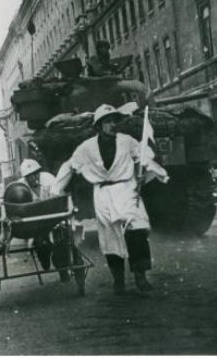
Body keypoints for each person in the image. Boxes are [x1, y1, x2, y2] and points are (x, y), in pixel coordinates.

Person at [54, 104, 169, 295]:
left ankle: (140, 277)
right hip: (103, 195)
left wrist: (152, 171)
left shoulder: (127, 141)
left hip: (127, 190)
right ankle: (119, 281)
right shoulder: (87, 148)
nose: (112, 125)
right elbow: (70, 166)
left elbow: (143, 155)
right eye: (107, 122)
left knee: (137, 230)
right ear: (98, 126)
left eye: (114, 121)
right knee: (110, 238)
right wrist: (56, 189)